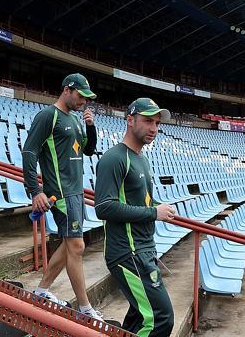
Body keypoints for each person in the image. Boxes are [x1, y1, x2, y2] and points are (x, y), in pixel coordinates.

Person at [22, 73, 102, 320]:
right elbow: (29, 152)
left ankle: (41, 291)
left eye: (87, 98)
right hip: (61, 194)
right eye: (80, 96)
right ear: (67, 89)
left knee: (70, 246)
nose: (83, 102)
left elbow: (88, 150)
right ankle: (85, 309)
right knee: (77, 246)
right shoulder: (49, 116)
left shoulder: (76, 120)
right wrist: (35, 191)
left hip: (76, 192)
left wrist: (90, 125)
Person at [95, 98, 175, 336]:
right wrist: (154, 213)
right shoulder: (114, 158)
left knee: (139, 319)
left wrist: (160, 207)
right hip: (127, 252)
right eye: (148, 121)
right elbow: (104, 207)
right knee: (161, 319)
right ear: (130, 120)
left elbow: (143, 202)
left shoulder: (142, 158)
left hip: (144, 249)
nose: (154, 128)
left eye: (157, 123)